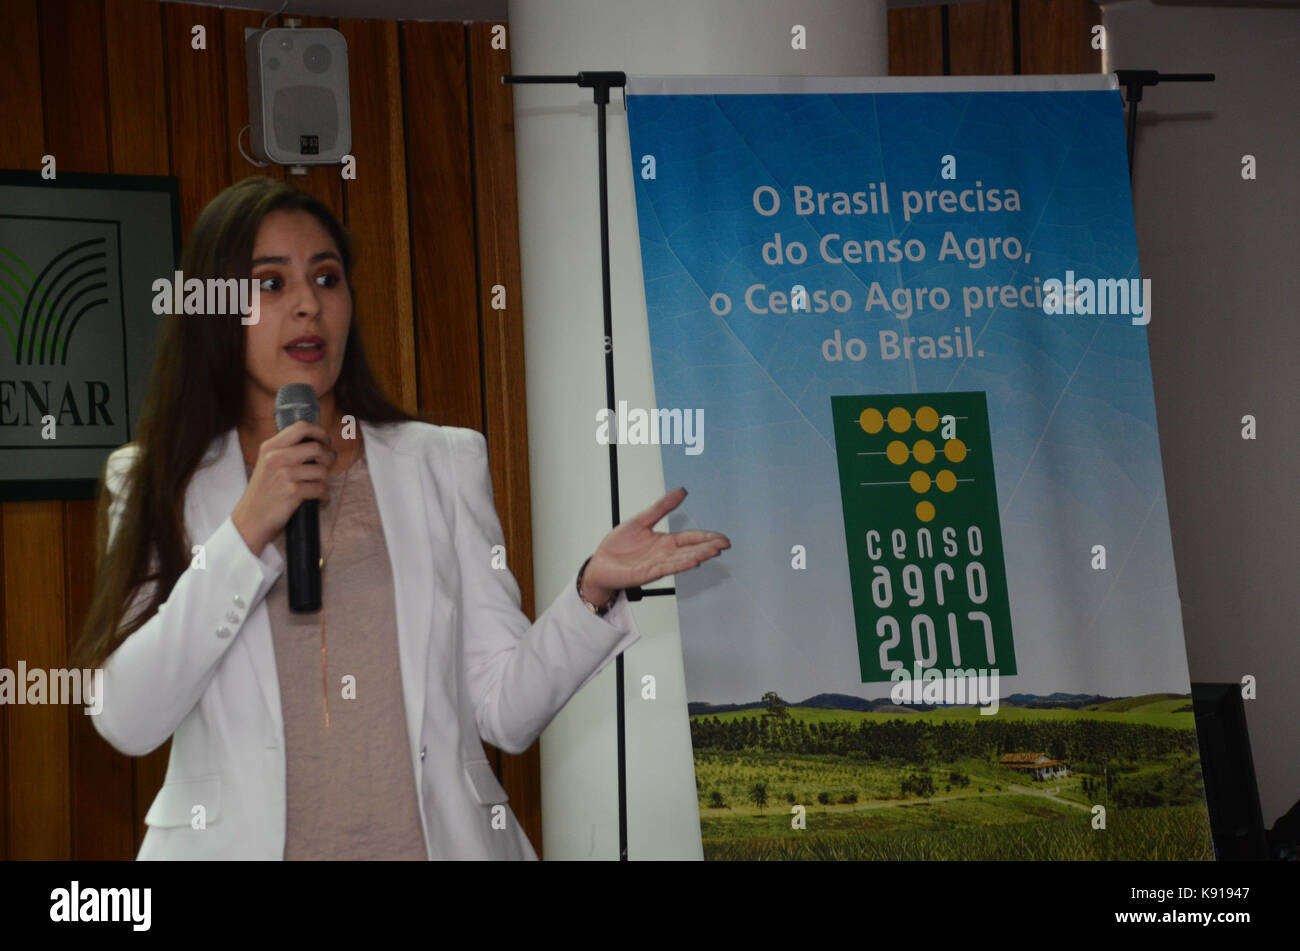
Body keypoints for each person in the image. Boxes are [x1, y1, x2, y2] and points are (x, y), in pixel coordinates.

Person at [72, 176, 730, 860]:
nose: (307, 305)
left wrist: (592, 589)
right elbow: (128, 716)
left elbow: (504, 710)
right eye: (270, 284)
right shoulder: (157, 479)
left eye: (326, 278)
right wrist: (245, 530)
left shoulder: (440, 462)